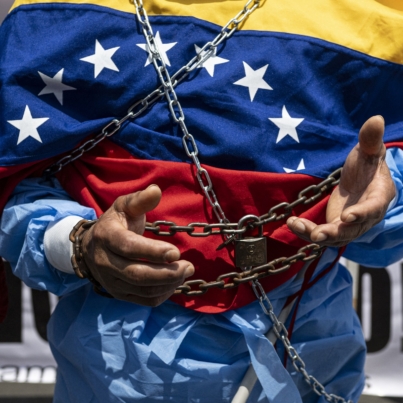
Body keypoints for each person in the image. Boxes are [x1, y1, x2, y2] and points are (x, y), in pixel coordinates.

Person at [1, 0, 403, 401]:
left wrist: (383, 197)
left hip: (312, 361)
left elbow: (384, 167)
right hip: (117, 374)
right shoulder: (63, 14)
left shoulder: (364, 12)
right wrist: (78, 244)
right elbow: (20, 184)